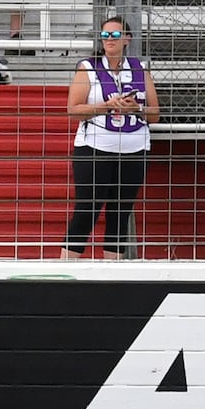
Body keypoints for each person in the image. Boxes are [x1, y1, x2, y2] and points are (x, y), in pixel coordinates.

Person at [66, 14, 153, 253]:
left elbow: (155, 113)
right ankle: (66, 269)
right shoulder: (88, 67)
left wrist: (137, 108)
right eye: (105, 35)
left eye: (115, 35)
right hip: (95, 147)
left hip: (133, 149)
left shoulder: (140, 68)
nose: (109, 39)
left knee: (120, 213)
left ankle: (112, 270)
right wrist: (106, 106)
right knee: (87, 211)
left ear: (127, 39)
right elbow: (73, 110)